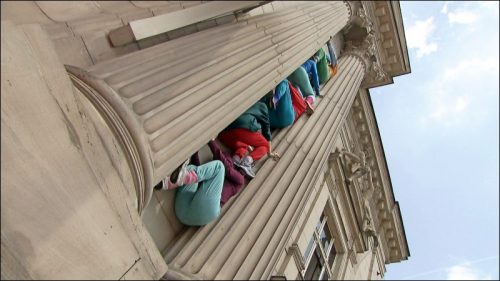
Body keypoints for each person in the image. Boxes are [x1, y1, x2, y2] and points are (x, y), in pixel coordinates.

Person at [155, 158, 225, 226]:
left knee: (219, 167)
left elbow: (229, 169)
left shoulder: (234, 184)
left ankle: (173, 181)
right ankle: (166, 183)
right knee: (191, 169)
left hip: (210, 209)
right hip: (183, 215)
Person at [219, 101, 280, 178]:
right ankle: (246, 163)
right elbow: (266, 130)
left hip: (224, 133)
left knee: (244, 145)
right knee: (265, 145)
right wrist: (270, 153)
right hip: (243, 127)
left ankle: (236, 159)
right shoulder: (262, 105)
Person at [207, 140, 245, 205]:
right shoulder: (233, 172)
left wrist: (211, 142)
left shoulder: (240, 179)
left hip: (216, 198)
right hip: (212, 195)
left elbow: (227, 168)